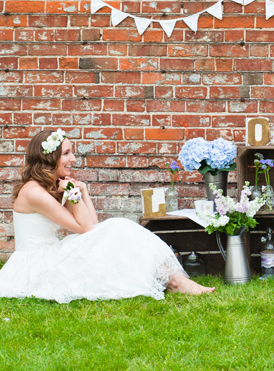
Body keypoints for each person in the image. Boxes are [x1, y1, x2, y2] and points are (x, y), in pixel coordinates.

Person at [0, 129, 214, 303]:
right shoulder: (34, 191)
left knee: (118, 227)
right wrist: (73, 195)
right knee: (119, 226)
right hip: (37, 264)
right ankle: (175, 282)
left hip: (50, 254)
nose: (73, 159)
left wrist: (82, 192)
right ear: (48, 157)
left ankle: (175, 281)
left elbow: (93, 227)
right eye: (66, 154)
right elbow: (84, 229)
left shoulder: (48, 187)